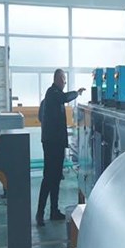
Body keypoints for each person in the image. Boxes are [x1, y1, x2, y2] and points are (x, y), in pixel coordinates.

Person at [36, 69, 85, 226]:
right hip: (52, 143)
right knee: (49, 178)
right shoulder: (53, 93)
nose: (65, 82)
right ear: (58, 79)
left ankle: (54, 211)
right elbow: (64, 98)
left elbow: (40, 116)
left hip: (55, 142)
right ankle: (40, 213)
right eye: (64, 79)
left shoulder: (51, 98)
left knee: (56, 177)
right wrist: (77, 93)